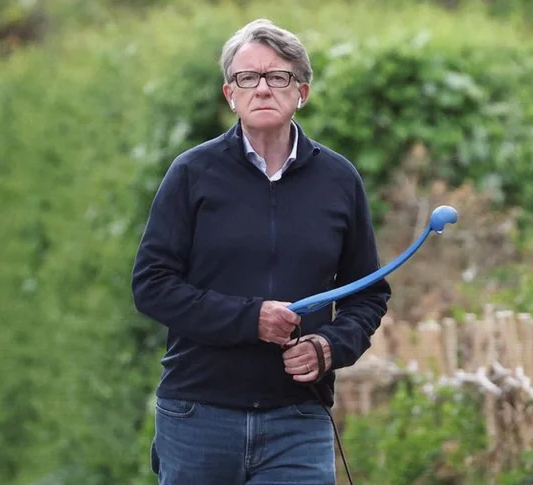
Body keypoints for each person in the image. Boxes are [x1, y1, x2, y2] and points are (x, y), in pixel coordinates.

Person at [131, 18, 391, 485]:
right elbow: (152, 286)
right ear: (230, 94)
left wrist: (329, 346)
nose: (263, 88)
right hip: (198, 416)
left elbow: (368, 294)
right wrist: (251, 320)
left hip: (298, 419)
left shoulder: (339, 180)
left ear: (302, 92)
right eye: (247, 77)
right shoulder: (191, 174)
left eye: (279, 77)